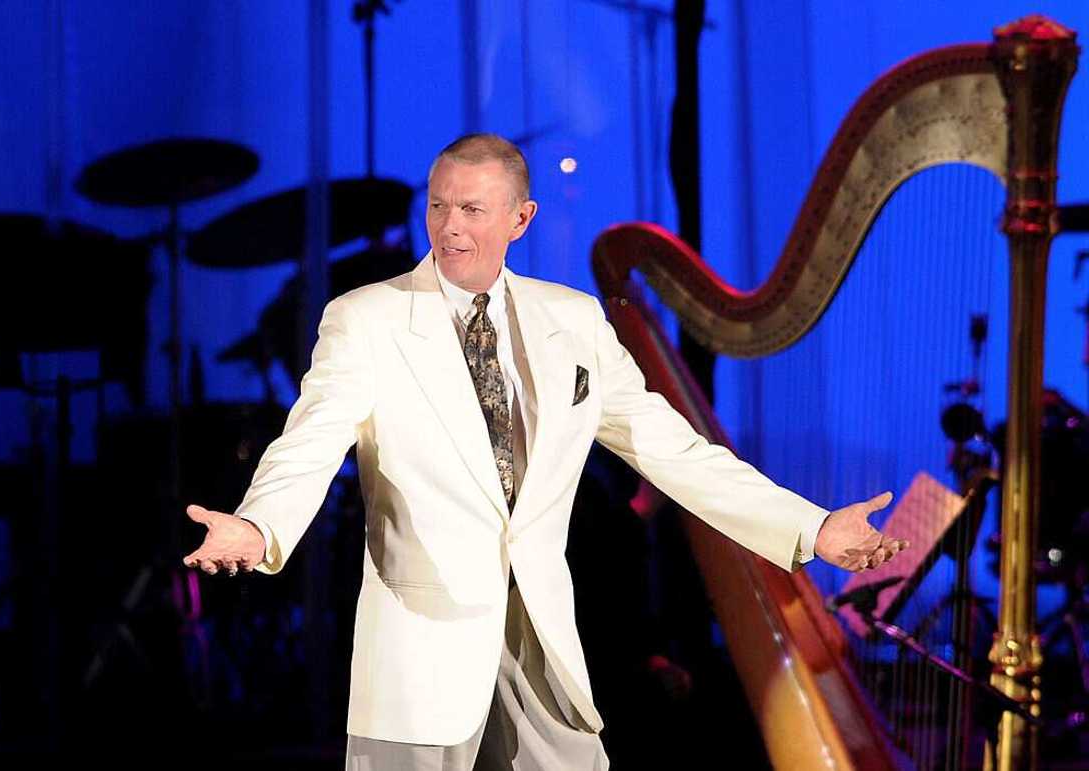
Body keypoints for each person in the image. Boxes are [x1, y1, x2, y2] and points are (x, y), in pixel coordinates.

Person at [183, 133, 907, 770]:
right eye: (439, 206)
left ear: (520, 218)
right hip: (421, 653)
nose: (450, 226)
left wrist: (812, 527)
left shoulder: (572, 320)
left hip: (543, 644)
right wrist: (259, 524)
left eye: (472, 209)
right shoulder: (367, 319)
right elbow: (309, 440)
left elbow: (674, 449)